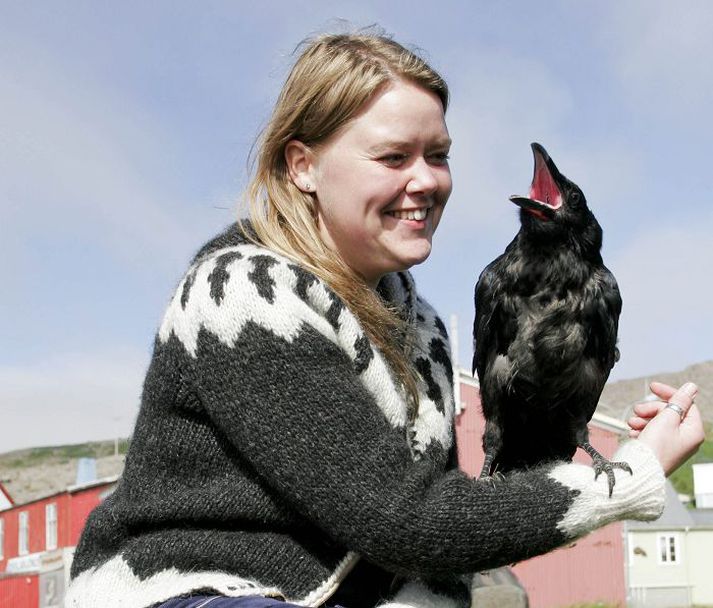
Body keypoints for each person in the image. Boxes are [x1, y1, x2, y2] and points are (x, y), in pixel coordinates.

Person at [65, 33, 704, 608]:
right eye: (394, 157)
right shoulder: (244, 294)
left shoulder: (418, 322)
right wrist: (633, 475)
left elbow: (436, 547)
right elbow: (404, 521)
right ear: (303, 165)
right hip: (187, 593)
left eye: (439, 154)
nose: (426, 181)